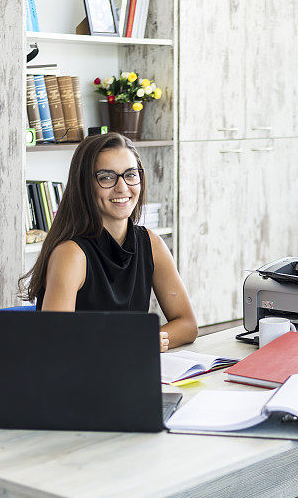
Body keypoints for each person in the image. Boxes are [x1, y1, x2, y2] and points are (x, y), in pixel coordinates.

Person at [20, 133, 198, 353]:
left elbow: (188, 324)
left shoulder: (150, 243)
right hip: (76, 380)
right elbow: (55, 342)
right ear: (85, 185)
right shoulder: (71, 254)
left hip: (127, 373)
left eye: (131, 175)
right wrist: (129, 342)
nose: (122, 187)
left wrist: (151, 338)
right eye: (106, 177)